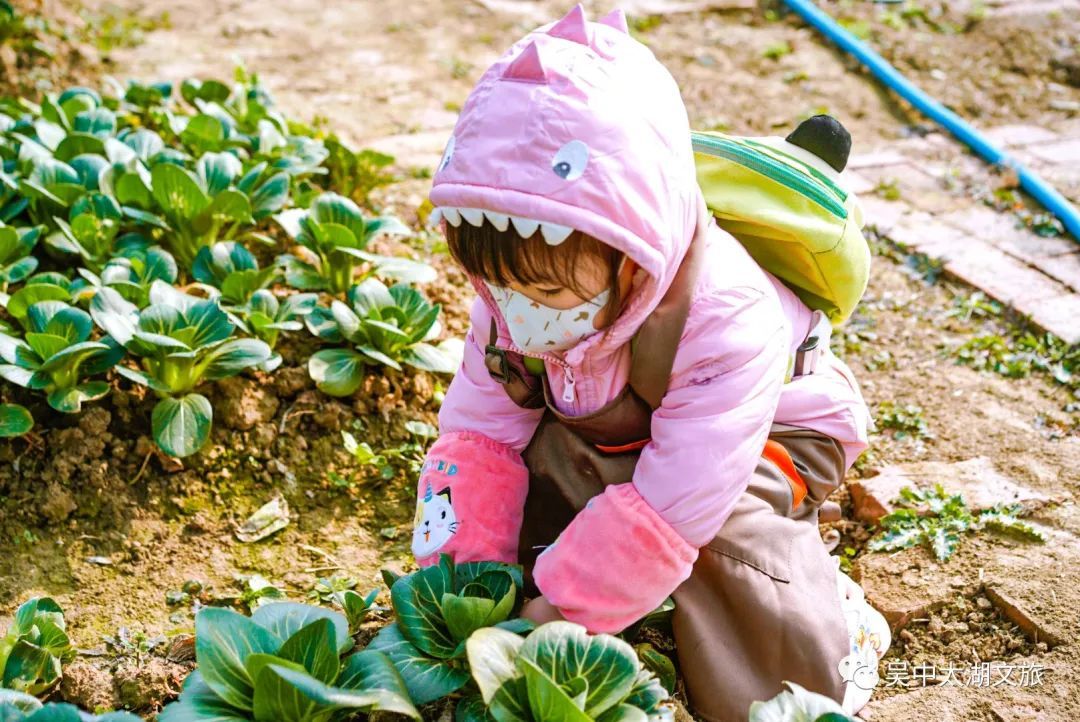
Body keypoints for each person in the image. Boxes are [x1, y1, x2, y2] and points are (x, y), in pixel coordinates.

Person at [410, 4, 890, 718]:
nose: (520, 310)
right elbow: (478, 435)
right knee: (542, 471)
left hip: (773, 436)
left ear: (633, 254)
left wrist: (550, 627)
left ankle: (829, 632)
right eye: (501, 288)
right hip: (621, 422)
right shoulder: (515, 280)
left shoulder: (728, 317)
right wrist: (461, 589)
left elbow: (674, 505)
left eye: (547, 289)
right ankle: (622, 596)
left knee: (725, 540)